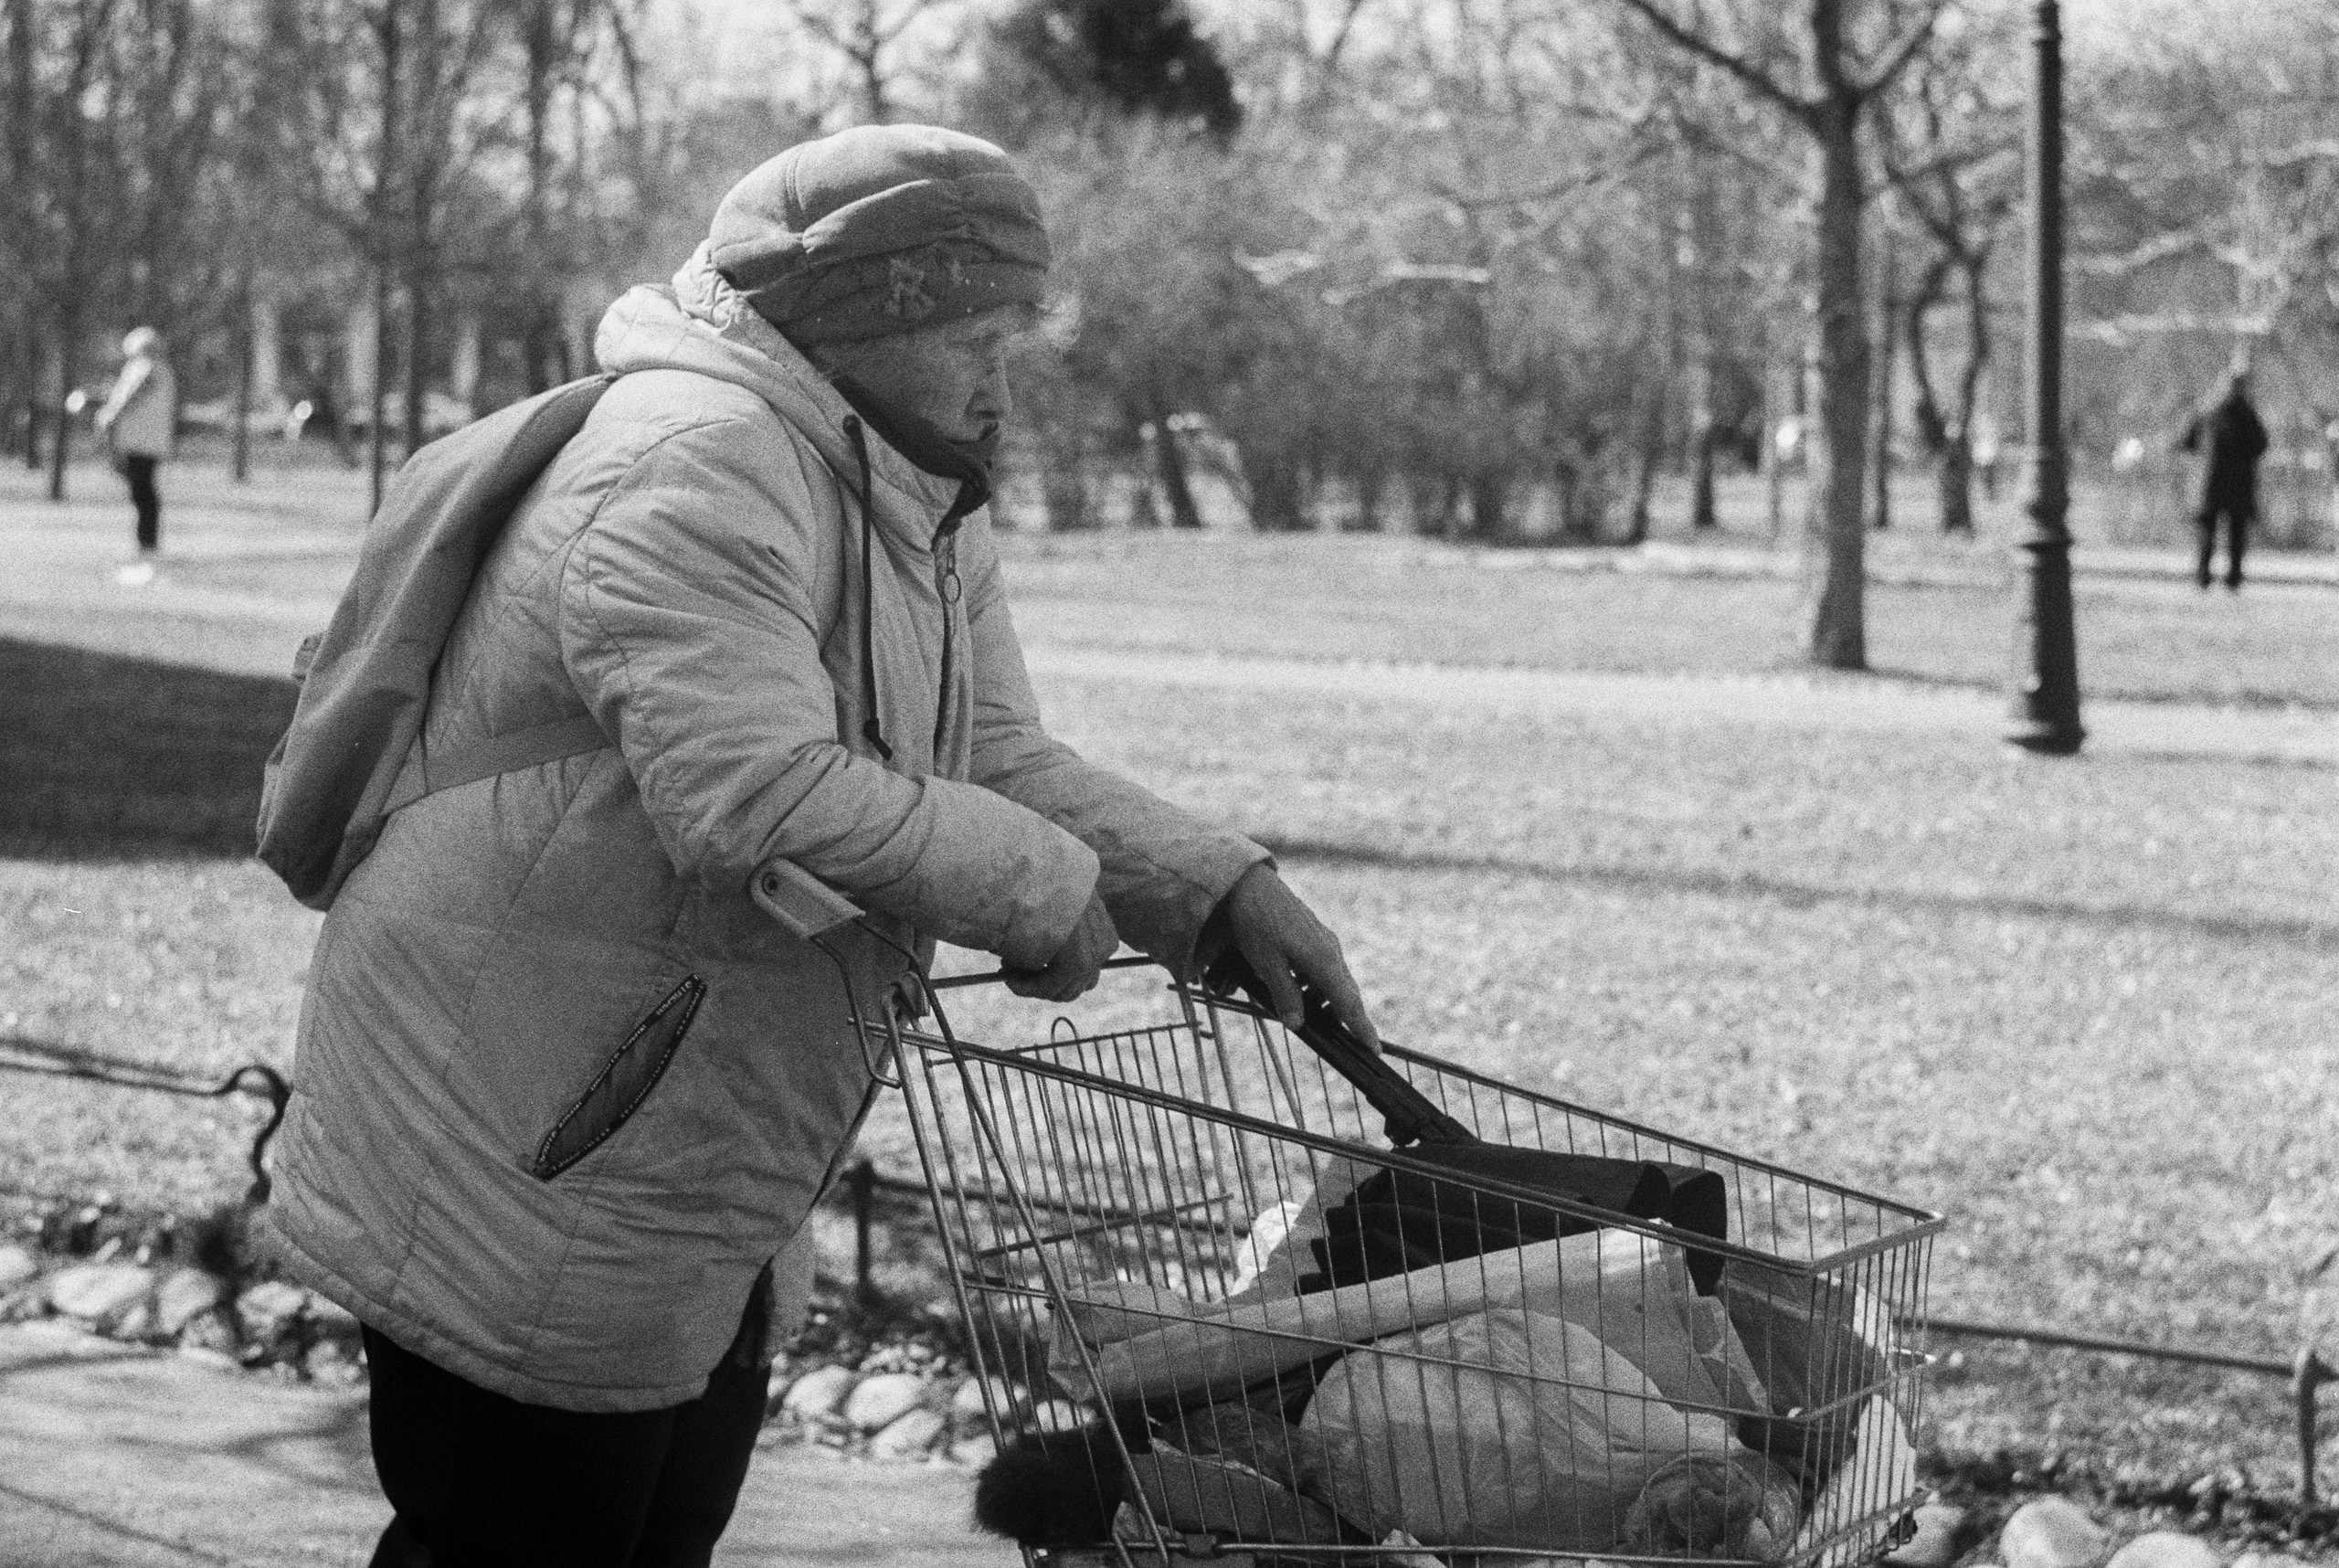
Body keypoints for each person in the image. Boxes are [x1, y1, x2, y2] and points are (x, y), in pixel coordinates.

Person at [262, 123, 1381, 1568]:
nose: (1001, 381)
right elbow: (754, 790)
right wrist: (1044, 890)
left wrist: (1215, 886)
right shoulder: (693, 463)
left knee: (649, 1528)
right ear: (859, 322)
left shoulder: (904, 478)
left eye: (1014, 337)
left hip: (660, 1107)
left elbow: (988, 753)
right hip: (519, 1107)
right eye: (974, 336)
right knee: (519, 1535)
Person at [2178, 366, 2270, 590]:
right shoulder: (2248, 414)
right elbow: (2261, 444)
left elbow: (2187, 441)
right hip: (2238, 483)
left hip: (2209, 482)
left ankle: (2203, 576)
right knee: (2235, 532)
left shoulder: (2206, 411)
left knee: (2207, 532)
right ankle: (2233, 577)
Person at [93, 326, 177, 572]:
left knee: (142, 492)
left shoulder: (148, 368)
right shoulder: (157, 369)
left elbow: (131, 397)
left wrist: (109, 415)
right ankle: (146, 543)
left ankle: (147, 544)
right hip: (144, 441)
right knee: (141, 491)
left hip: (140, 441)